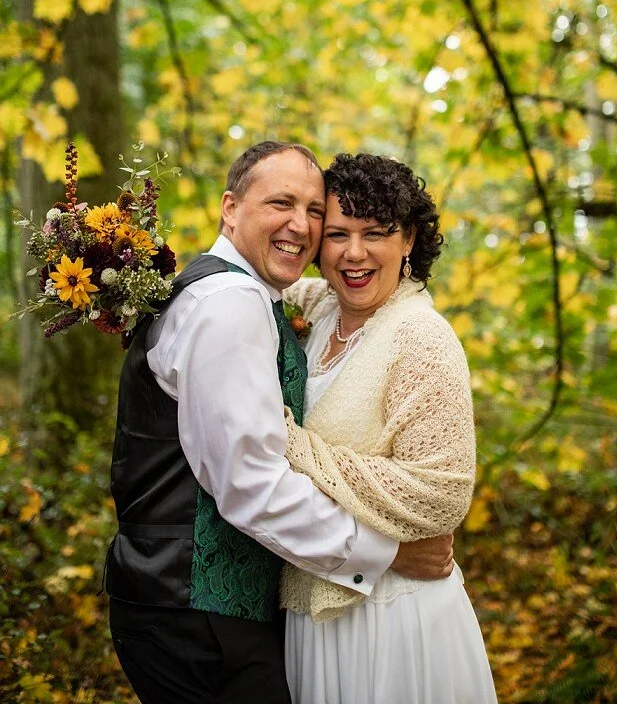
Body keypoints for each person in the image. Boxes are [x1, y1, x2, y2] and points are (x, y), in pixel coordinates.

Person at [107, 141, 456, 704]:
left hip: (203, 607)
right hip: (196, 614)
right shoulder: (230, 306)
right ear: (230, 208)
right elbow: (252, 485)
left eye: (316, 212)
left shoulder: (245, 293)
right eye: (281, 203)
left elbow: (343, 295)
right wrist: (385, 554)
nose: (302, 225)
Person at [278, 152, 495, 703]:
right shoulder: (316, 309)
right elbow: (247, 290)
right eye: (337, 234)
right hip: (314, 609)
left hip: (391, 616)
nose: (354, 253)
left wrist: (288, 445)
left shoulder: (421, 337)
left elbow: (441, 495)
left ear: (408, 241)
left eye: (375, 232)